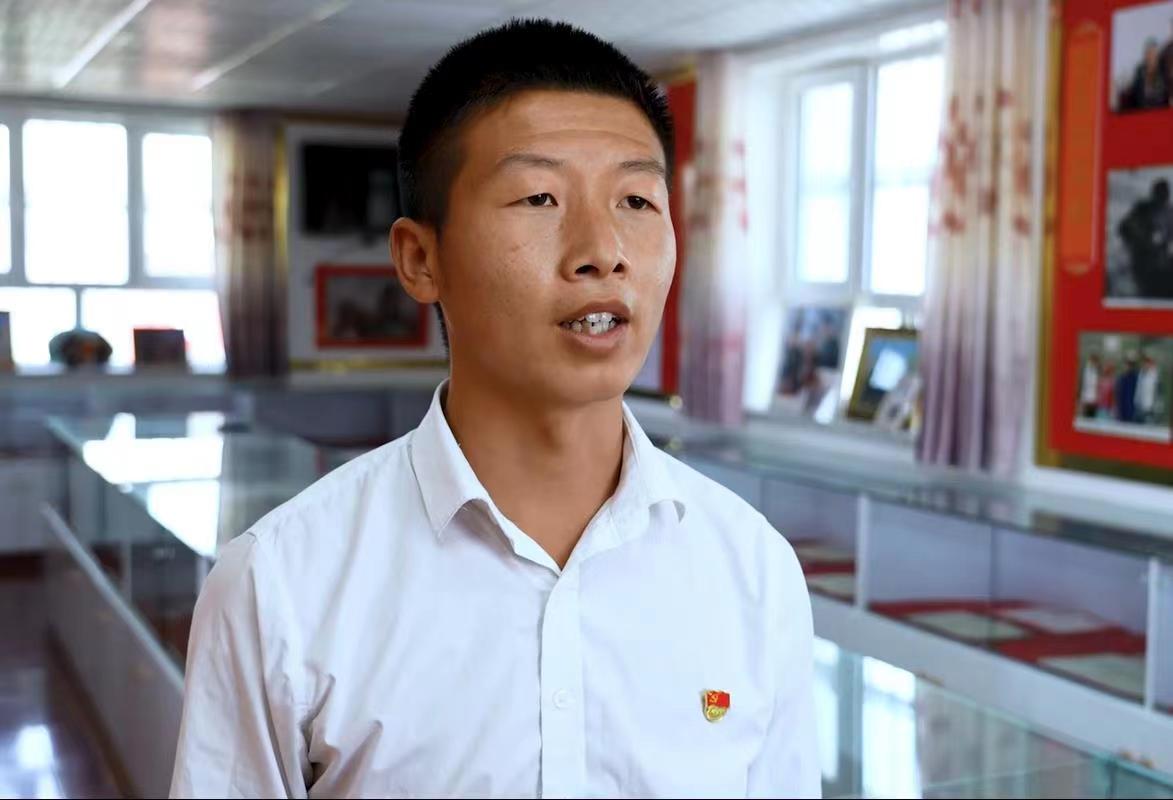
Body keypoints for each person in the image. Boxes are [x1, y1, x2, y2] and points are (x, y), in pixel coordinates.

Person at [170, 19, 819, 799]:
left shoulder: (752, 569)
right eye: (539, 197)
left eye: (637, 200)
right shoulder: (279, 583)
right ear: (420, 258)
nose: (602, 250)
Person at [1117, 178, 1173, 299]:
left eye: (1165, 194)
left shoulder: (1169, 212)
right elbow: (1124, 228)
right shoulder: (1142, 209)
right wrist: (1141, 241)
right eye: (1160, 194)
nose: (1163, 198)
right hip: (1143, 262)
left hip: (1163, 261)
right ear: (1154, 194)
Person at [1119, 39, 1169, 111]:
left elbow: (1166, 94)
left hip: (1159, 111)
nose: (1151, 57)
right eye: (1148, 54)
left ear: (1157, 56)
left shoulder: (1163, 71)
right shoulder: (1140, 71)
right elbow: (1135, 92)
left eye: (1153, 54)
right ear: (1145, 55)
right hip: (1142, 110)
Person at [1135, 352, 1161, 424]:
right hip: (1139, 407)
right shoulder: (1140, 374)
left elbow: (1157, 392)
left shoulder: (1155, 376)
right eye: (1144, 362)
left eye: (1148, 362)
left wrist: (1156, 408)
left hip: (1150, 408)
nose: (1145, 364)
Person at [1080, 352, 1100, 418]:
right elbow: (1083, 385)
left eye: (1095, 361)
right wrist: (1082, 400)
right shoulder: (1086, 370)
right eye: (1092, 360)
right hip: (1086, 399)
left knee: (1092, 417)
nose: (1094, 363)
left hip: (1094, 400)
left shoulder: (1097, 371)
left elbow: (1097, 386)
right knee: (1085, 417)